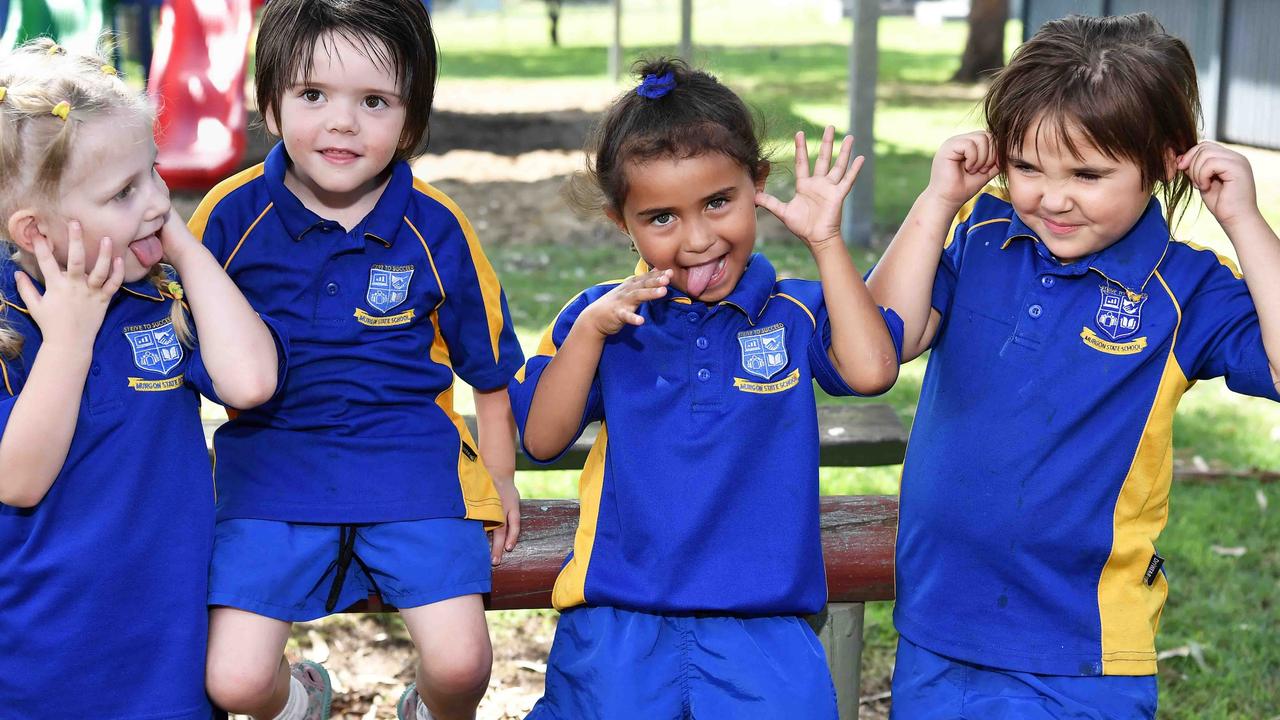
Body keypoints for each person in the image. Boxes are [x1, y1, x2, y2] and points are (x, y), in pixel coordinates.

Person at [866, 13, 1280, 718]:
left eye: (1088, 174)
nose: (1050, 198)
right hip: (939, 625)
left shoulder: (1185, 290)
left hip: (1080, 654)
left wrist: (1245, 220)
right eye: (1027, 166)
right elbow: (879, 339)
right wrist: (938, 200)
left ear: (1166, 159)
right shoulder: (987, 233)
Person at [510, 58, 903, 719]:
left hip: (763, 618)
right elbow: (542, 439)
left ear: (758, 185)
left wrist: (827, 241)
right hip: (619, 616)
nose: (697, 239)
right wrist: (590, 337)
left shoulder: (792, 309)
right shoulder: (600, 316)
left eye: (718, 202)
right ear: (621, 222)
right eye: (661, 218)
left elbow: (872, 371)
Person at [189, 1, 525, 719]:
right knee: (235, 682)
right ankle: (303, 698)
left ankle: (424, 710)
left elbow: (491, 371)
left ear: (411, 121)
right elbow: (177, 352)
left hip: (410, 464)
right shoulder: (226, 217)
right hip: (269, 470)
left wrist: (498, 480)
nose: (342, 123)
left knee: (464, 665)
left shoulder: (436, 226)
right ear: (271, 105)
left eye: (374, 101)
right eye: (313, 95)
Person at [0, 39, 283, 719]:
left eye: (152, 174)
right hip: (39, 653)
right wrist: (68, 339)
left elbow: (250, 383)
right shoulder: (9, 322)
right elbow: (18, 480)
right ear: (34, 230)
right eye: (123, 192)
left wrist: (180, 246)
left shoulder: (158, 297)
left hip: (165, 647)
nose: (156, 200)